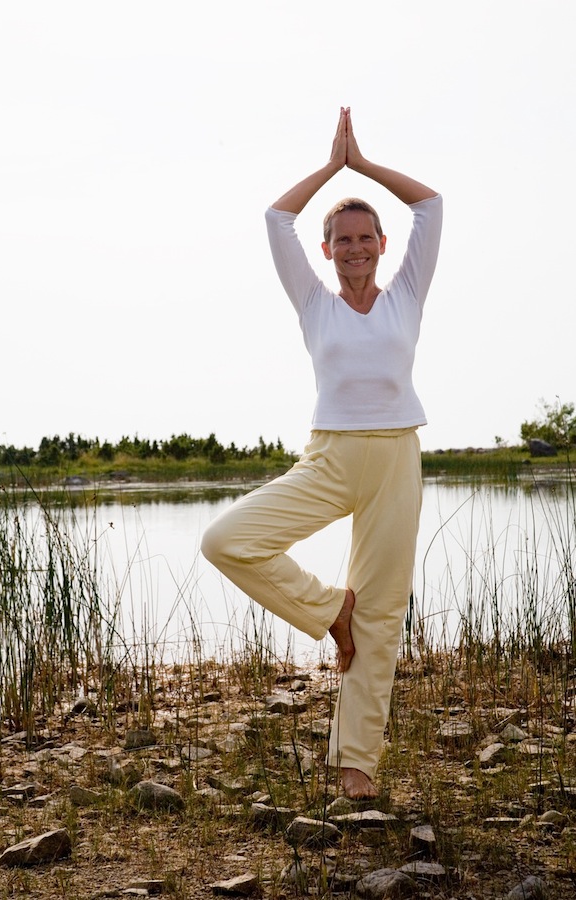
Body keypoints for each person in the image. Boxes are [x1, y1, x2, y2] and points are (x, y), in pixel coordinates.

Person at [201, 107, 442, 800]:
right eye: (343, 239)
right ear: (328, 248)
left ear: (383, 243)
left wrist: (363, 166)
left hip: (397, 459)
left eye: (367, 237)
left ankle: (356, 769)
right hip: (331, 457)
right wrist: (331, 168)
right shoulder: (314, 303)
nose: (357, 248)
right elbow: (277, 220)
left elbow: (431, 203)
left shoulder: (406, 296)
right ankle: (329, 611)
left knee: (385, 618)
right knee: (226, 539)